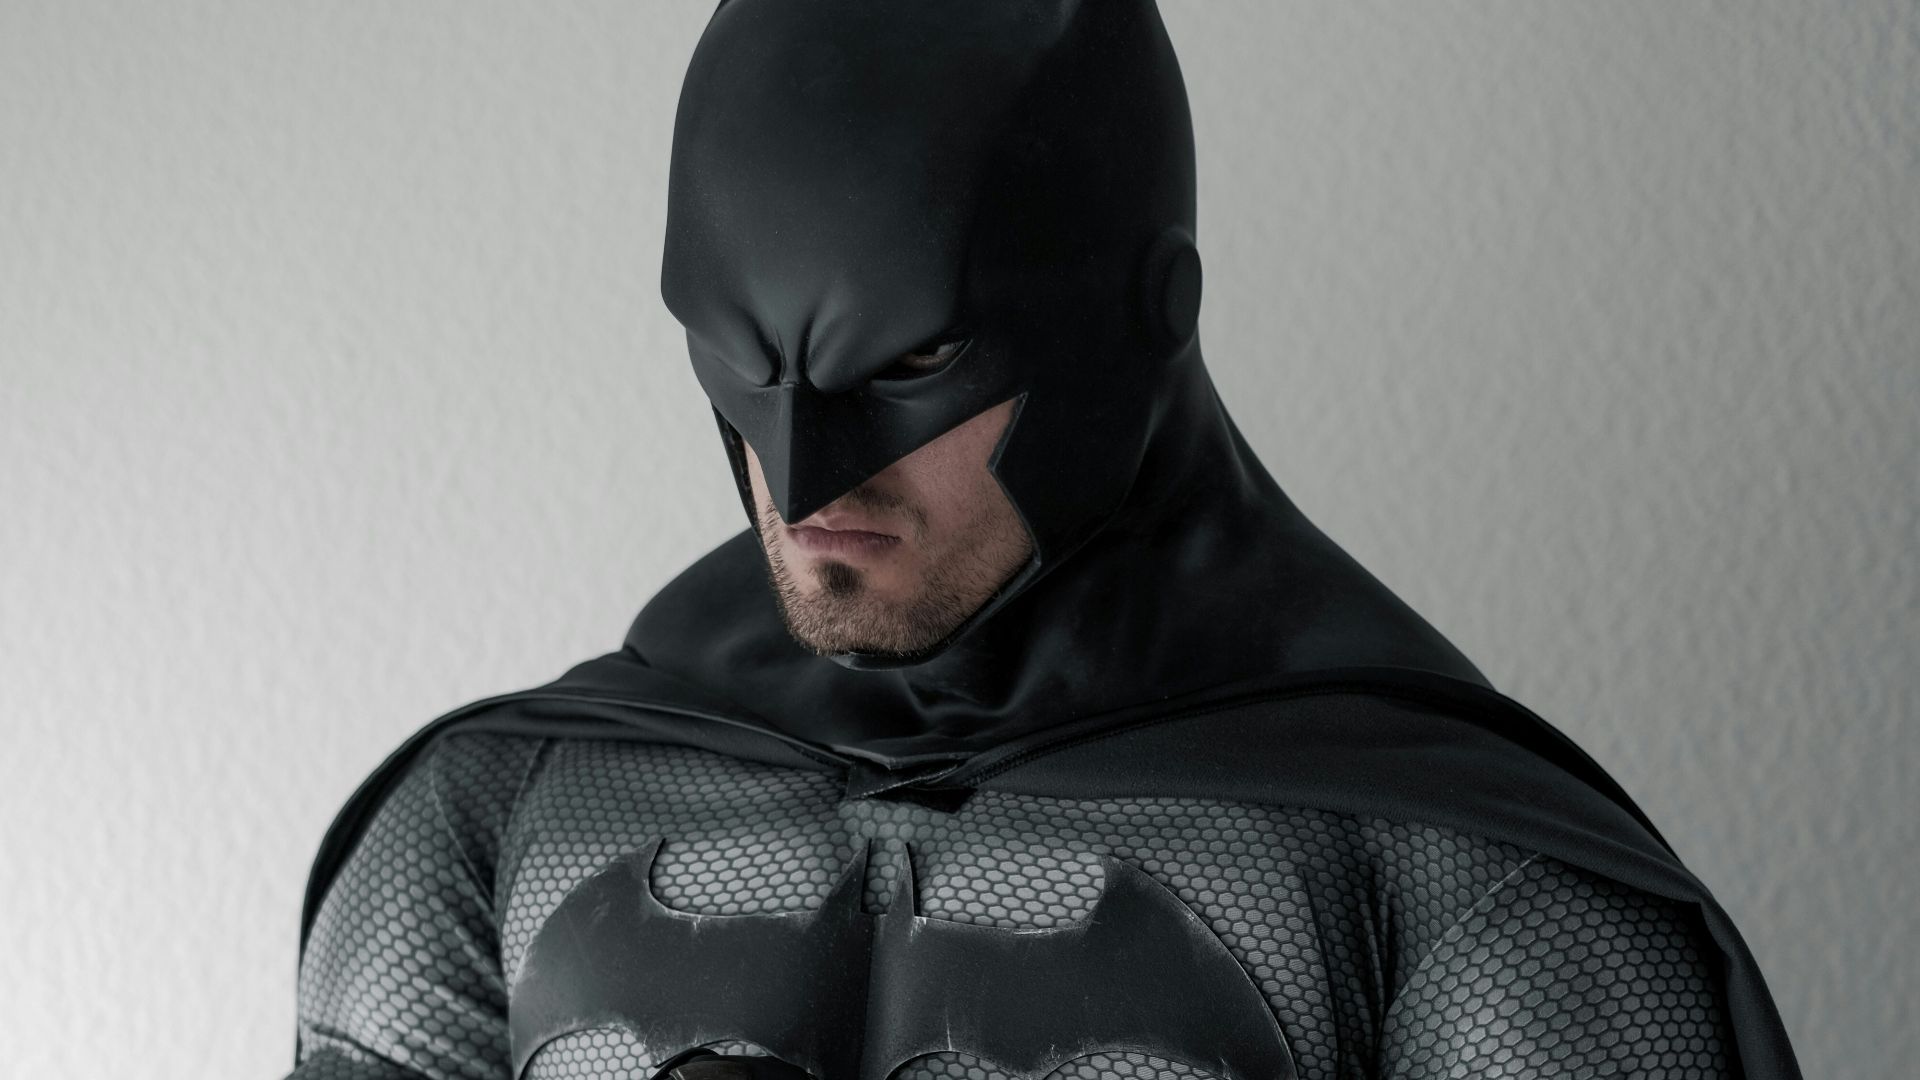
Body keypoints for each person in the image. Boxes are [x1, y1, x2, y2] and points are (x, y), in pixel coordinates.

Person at [284, 3, 1801, 1079]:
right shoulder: (484, 816)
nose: (809, 476)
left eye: (913, 366)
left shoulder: (1453, 872)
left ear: (1140, 323)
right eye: (747, 359)